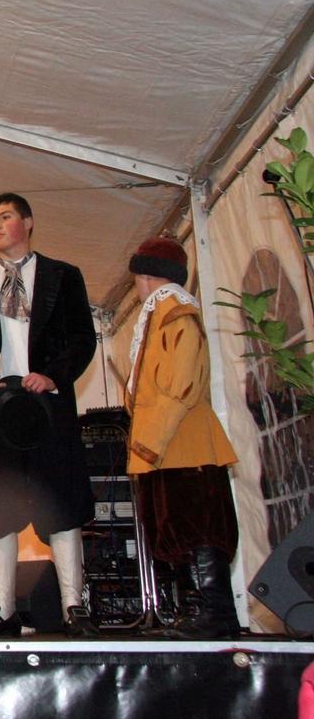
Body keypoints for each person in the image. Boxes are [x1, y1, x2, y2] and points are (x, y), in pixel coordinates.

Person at [0, 193, 99, 639]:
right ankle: (3, 609)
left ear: (28, 222)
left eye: (6, 217)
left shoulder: (64, 276)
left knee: (60, 501)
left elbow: (83, 338)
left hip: (47, 404)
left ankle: (74, 605)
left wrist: (53, 376)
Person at [125, 236, 240, 638]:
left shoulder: (177, 315)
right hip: (167, 445)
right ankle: (195, 610)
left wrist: (150, 442)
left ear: (146, 276)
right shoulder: (159, 317)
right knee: (176, 528)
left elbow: (181, 386)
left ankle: (215, 612)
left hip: (184, 443)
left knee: (198, 526)